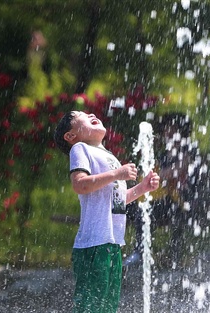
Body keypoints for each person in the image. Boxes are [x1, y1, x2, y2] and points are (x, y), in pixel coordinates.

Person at [54, 111, 160, 313]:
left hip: (112, 244)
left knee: (108, 307)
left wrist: (142, 188)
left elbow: (117, 200)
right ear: (70, 136)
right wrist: (117, 174)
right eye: (81, 115)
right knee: (90, 307)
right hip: (93, 244)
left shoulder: (109, 156)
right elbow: (80, 185)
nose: (91, 113)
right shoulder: (80, 148)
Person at [124, 113, 210, 268]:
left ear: (181, 130)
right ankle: (133, 251)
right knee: (132, 205)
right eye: (166, 129)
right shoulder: (164, 153)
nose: (167, 132)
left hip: (187, 201)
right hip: (169, 199)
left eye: (172, 128)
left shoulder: (189, 149)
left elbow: (174, 171)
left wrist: (157, 176)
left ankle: (144, 253)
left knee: (146, 208)